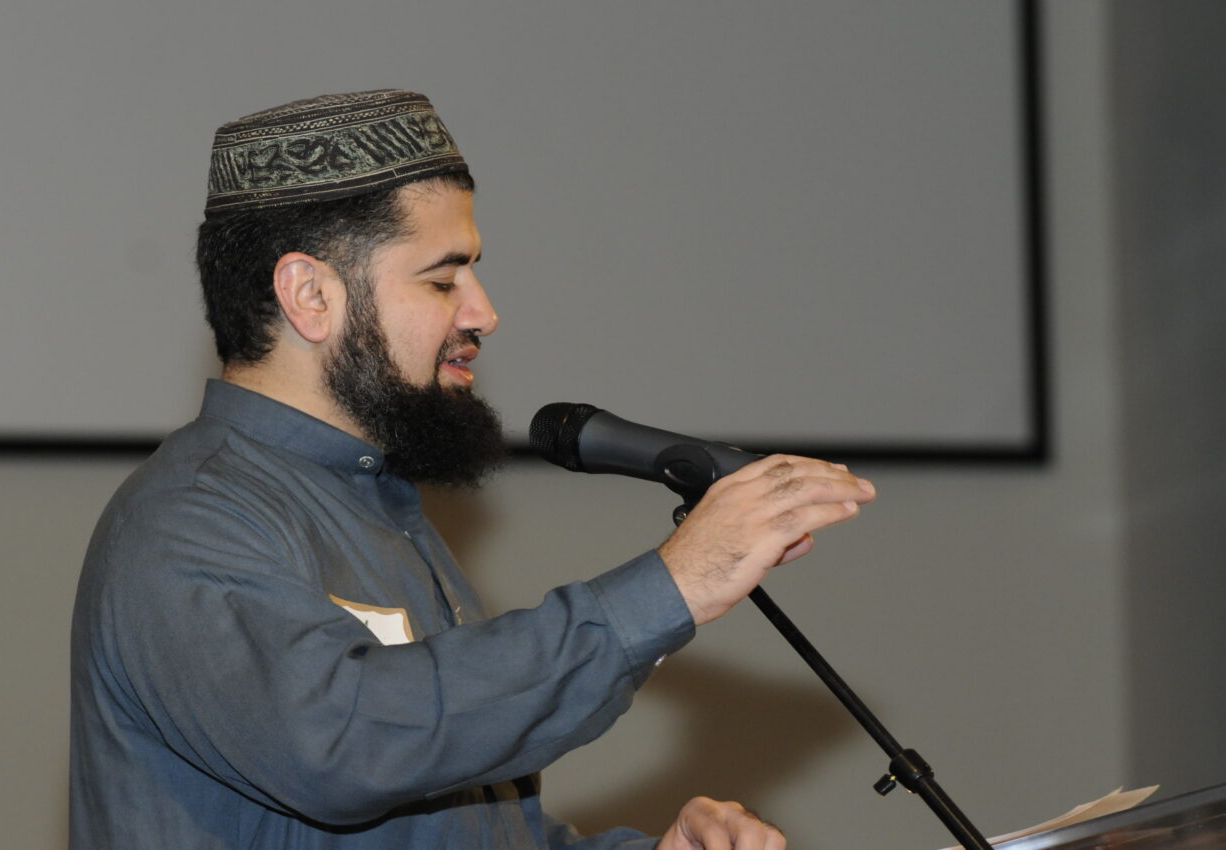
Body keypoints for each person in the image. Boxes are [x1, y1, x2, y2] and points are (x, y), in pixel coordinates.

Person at [69, 90, 876, 849]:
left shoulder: (379, 511)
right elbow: (347, 744)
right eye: (443, 279)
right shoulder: (189, 522)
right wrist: (674, 584)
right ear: (309, 295)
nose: (483, 312)